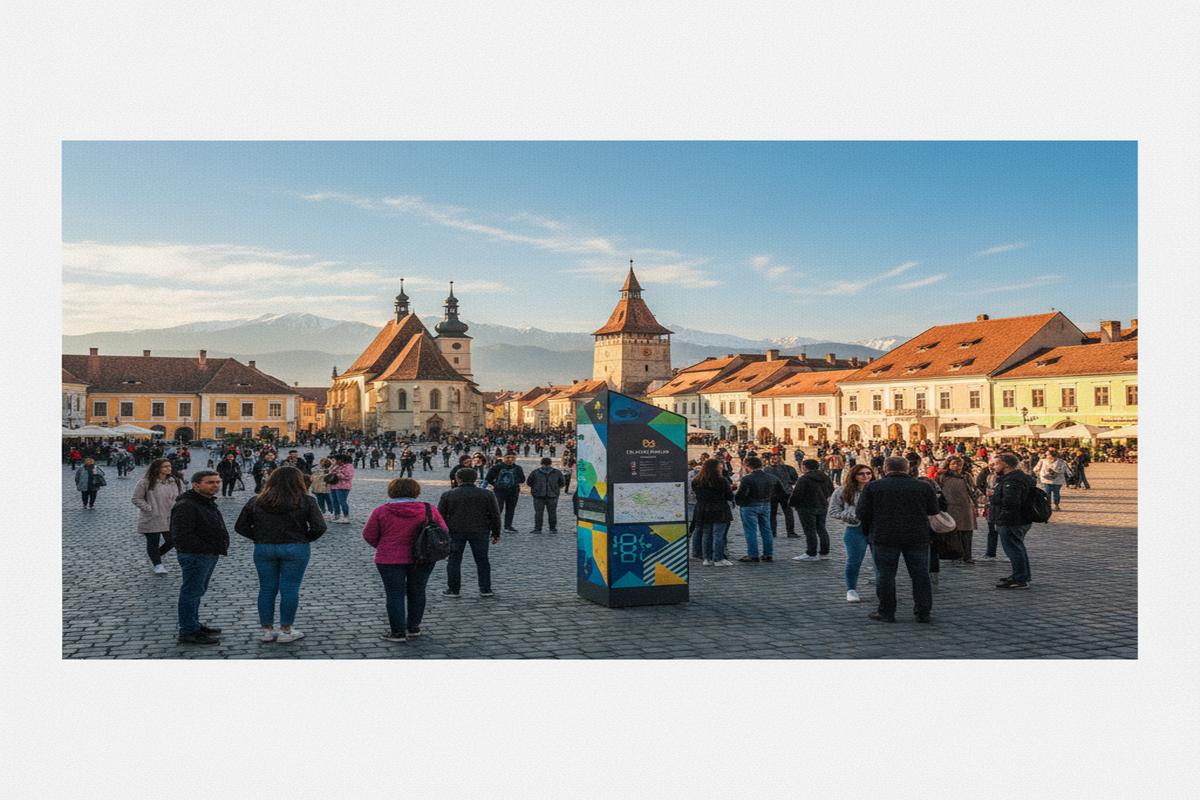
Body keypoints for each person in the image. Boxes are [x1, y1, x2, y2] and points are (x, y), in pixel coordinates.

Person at [235, 466, 327, 643]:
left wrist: (258, 536)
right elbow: (320, 527)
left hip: (264, 547)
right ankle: (286, 630)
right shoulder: (307, 500)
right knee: (290, 588)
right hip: (295, 547)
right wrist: (304, 538)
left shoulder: (256, 501)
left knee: (267, 589)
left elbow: (240, 527)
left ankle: (267, 631)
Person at [362, 477, 449, 643]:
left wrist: (384, 546)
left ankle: (397, 632)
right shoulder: (428, 509)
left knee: (394, 594)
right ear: (416, 491)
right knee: (418, 591)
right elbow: (443, 530)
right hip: (423, 557)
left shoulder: (381, 511)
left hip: (389, 558)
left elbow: (369, 535)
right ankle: (413, 627)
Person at [855, 456, 939, 623]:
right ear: (907, 469)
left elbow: (861, 513)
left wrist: (869, 531)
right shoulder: (923, 486)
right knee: (920, 575)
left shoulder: (873, 487)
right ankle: (923, 612)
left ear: (885, 468)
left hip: (884, 535)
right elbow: (933, 510)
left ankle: (886, 611)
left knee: (886, 575)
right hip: (917, 536)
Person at [171, 470, 229, 644]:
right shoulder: (187, 504)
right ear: (196, 485)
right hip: (196, 555)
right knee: (191, 592)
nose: (215, 485)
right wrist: (206, 548)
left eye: (218, 482)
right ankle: (188, 631)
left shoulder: (205, 501)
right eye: (210, 482)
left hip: (207, 554)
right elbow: (182, 535)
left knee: (197, 591)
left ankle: (194, 624)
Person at [436, 468, 502, 597]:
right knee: (482, 560)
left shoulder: (448, 494)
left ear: (458, 479)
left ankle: (454, 589)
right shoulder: (487, 494)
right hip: (480, 531)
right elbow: (495, 515)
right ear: (475, 478)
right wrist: (496, 533)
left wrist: (441, 535)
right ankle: (485, 589)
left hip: (455, 532)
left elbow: (440, 517)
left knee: (454, 561)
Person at [989, 452, 1036, 589]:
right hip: (1021, 518)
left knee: (1014, 550)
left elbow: (1011, 502)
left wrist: (994, 498)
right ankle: (1021, 575)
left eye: (997, 463)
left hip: (1011, 520)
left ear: (1006, 465)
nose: (993, 466)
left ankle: (1020, 579)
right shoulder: (1019, 477)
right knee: (1018, 548)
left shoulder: (1012, 480)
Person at [829, 464, 873, 602]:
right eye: (861, 474)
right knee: (854, 560)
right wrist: (850, 515)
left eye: (868, 473)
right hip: (855, 528)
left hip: (876, 528)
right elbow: (833, 511)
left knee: (881, 560)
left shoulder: (877, 489)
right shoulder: (843, 491)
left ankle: (882, 587)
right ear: (854, 476)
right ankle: (851, 589)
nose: (866, 476)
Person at [131, 458, 184, 573]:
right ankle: (157, 564)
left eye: (169, 466)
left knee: (173, 541)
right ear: (157, 468)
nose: (168, 468)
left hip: (171, 517)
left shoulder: (176, 481)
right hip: (152, 517)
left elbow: (182, 497)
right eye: (165, 466)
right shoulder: (145, 482)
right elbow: (136, 498)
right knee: (153, 542)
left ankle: (155, 556)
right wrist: (148, 508)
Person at [733, 455, 785, 563]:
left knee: (751, 531)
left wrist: (738, 502)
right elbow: (781, 492)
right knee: (767, 530)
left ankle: (753, 555)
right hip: (765, 504)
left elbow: (741, 494)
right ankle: (768, 554)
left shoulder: (747, 478)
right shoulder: (771, 477)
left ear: (747, 466)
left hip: (749, 505)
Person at [789, 459, 835, 561]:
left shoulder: (804, 479)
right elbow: (831, 490)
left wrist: (792, 504)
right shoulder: (825, 477)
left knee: (810, 531)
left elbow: (797, 494)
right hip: (822, 506)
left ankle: (811, 553)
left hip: (806, 507)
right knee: (822, 529)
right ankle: (824, 553)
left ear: (804, 467)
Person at [691, 458, 734, 566]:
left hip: (703, 509)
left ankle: (706, 558)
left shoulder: (696, 481)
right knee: (718, 534)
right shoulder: (721, 480)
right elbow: (729, 496)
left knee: (706, 534)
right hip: (719, 509)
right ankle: (718, 558)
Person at [938, 455, 978, 564]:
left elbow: (973, 490)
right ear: (949, 465)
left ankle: (967, 556)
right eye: (953, 464)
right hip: (950, 506)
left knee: (967, 533)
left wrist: (976, 503)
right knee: (954, 533)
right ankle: (956, 555)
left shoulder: (966, 476)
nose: (957, 466)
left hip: (965, 507)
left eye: (959, 464)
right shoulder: (943, 476)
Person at [485, 452, 526, 533]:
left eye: (512, 458)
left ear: (515, 459)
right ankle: (495, 526)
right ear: (503, 458)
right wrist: (496, 485)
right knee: (497, 509)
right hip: (501, 491)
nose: (510, 459)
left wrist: (495, 484)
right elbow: (488, 478)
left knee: (509, 509)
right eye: (508, 457)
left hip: (512, 491)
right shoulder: (497, 467)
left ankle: (508, 526)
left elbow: (522, 479)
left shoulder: (518, 468)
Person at [526, 457, 565, 533]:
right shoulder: (557, 472)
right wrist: (555, 489)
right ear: (551, 463)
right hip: (552, 495)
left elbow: (529, 482)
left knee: (539, 513)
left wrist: (536, 488)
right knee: (552, 513)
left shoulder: (535, 472)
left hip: (539, 496)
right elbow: (562, 483)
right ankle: (552, 529)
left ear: (541, 463)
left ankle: (538, 529)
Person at [765, 453, 799, 538]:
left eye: (775, 459)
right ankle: (789, 532)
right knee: (784, 513)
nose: (773, 460)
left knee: (778, 514)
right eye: (772, 459)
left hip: (778, 493)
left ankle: (774, 532)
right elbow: (795, 478)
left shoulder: (766, 469)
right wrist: (790, 482)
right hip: (781, 493)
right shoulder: (787, 468)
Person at [325, 453, 355, 523]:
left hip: (343, 487)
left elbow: (348, 476)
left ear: (340, 460)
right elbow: (330, 472)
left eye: (336, 460)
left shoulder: (348, 466)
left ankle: (346, 517)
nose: (334, 461)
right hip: (334, 486)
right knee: (334, 502)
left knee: (342, 502)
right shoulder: (336, 466)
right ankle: (336, 516)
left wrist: (338, 474)